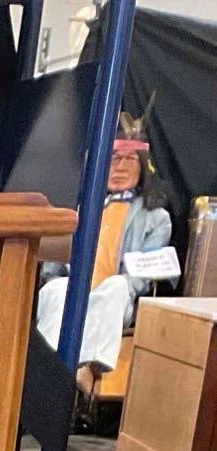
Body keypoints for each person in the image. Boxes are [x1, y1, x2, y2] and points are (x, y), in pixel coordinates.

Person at [36, 128, 172, 372]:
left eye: (129, 160)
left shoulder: (156, 219)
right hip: (73, 287)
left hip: (115, 295)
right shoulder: (75, 211)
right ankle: (48, 367)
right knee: (58, 289)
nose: (120, 167)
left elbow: (142, 276)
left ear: (143, 167)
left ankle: (91, 368)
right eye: (113, 159)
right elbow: (52, 266)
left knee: (117, 287)